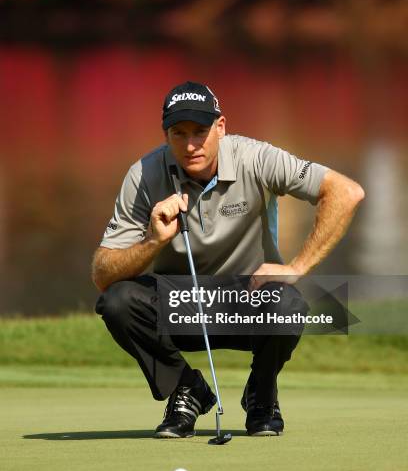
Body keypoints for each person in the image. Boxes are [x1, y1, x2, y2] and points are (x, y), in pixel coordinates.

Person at [91, 81, 364, 438]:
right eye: (179, 134)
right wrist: (153, 241)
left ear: (221, 127)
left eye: (200, 132)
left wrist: (297, 267)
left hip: (247, 296)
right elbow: (102, 273)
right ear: (166, 134)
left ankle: (261, 393)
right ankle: (186, 389)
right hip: (182, 302)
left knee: (288, 305)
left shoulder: (256, 158)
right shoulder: (144, 174)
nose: (190, 145)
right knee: (118, 302)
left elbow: (345, 192)